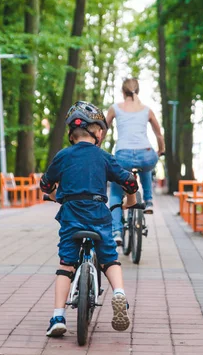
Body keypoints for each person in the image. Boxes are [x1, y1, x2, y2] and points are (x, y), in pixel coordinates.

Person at [40, 101, 139, 337]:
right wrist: (131, 201)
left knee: (66, 264)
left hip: (71, 215)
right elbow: (129, 182)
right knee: (109, 259)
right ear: (98, 132)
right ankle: (119, 294)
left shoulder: (63, 156)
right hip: (98, 214)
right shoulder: (104, 157)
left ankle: (57, 317)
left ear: (71, 134)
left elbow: (45, 183)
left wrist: (54, 196)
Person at [106, 77, 165, 244]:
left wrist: (96, 147)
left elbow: (102, 130)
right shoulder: (147, 109)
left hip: (122, 156)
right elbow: (159, 134)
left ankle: (116, 231)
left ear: (123, 92)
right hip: (146, 153)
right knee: (146, 165)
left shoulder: (115, 108)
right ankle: (149, 201)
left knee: (116, 193)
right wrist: (161, 150)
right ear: (137, 91)